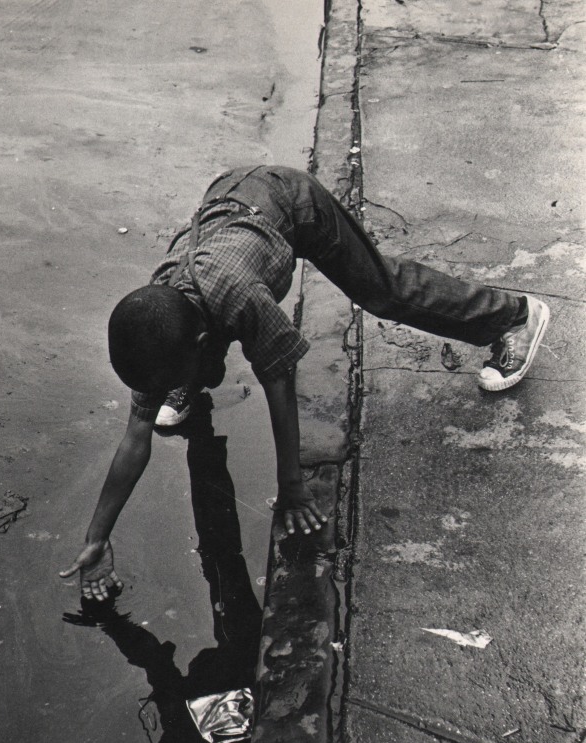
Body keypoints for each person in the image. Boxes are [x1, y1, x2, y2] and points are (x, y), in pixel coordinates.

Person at [59, 165, 550, 601]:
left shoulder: (243, 297)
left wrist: (292, 487)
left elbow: (280, 386)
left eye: (168, 379)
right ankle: (185, 377)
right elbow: (135, 437)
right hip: (225, 212)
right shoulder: (159, 307)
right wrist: (97, 537)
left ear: (201, 340)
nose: (152, 396)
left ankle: (512, 317)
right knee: (185, 352)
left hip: (291, 204)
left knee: (381, 291)